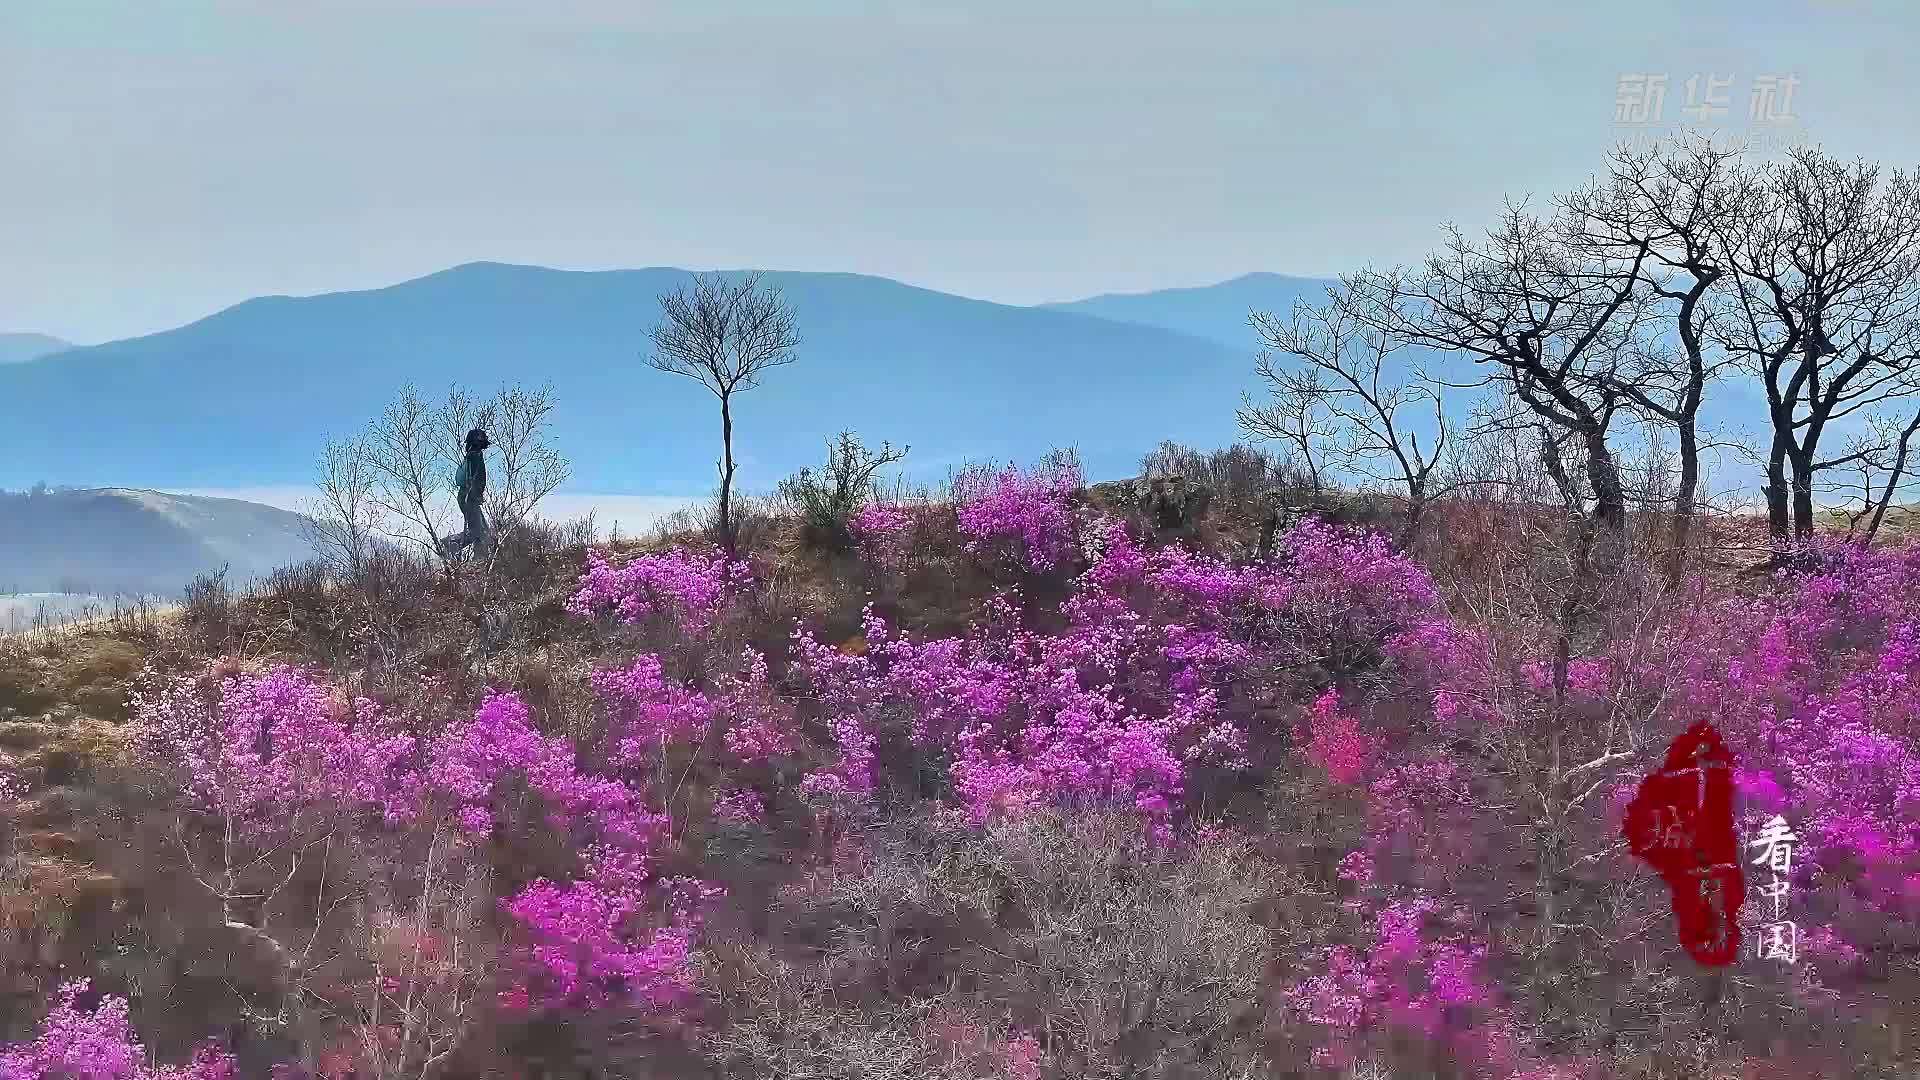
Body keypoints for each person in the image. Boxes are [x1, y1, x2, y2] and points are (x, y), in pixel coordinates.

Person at [439, 428, 491, 559]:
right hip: (468, 497)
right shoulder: (474, 456)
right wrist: (474, 495)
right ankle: (479, 562)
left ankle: (453, 542)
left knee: (482, 532)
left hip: (468, 497)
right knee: (481, 534)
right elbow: (473, 479)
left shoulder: (473, 455)